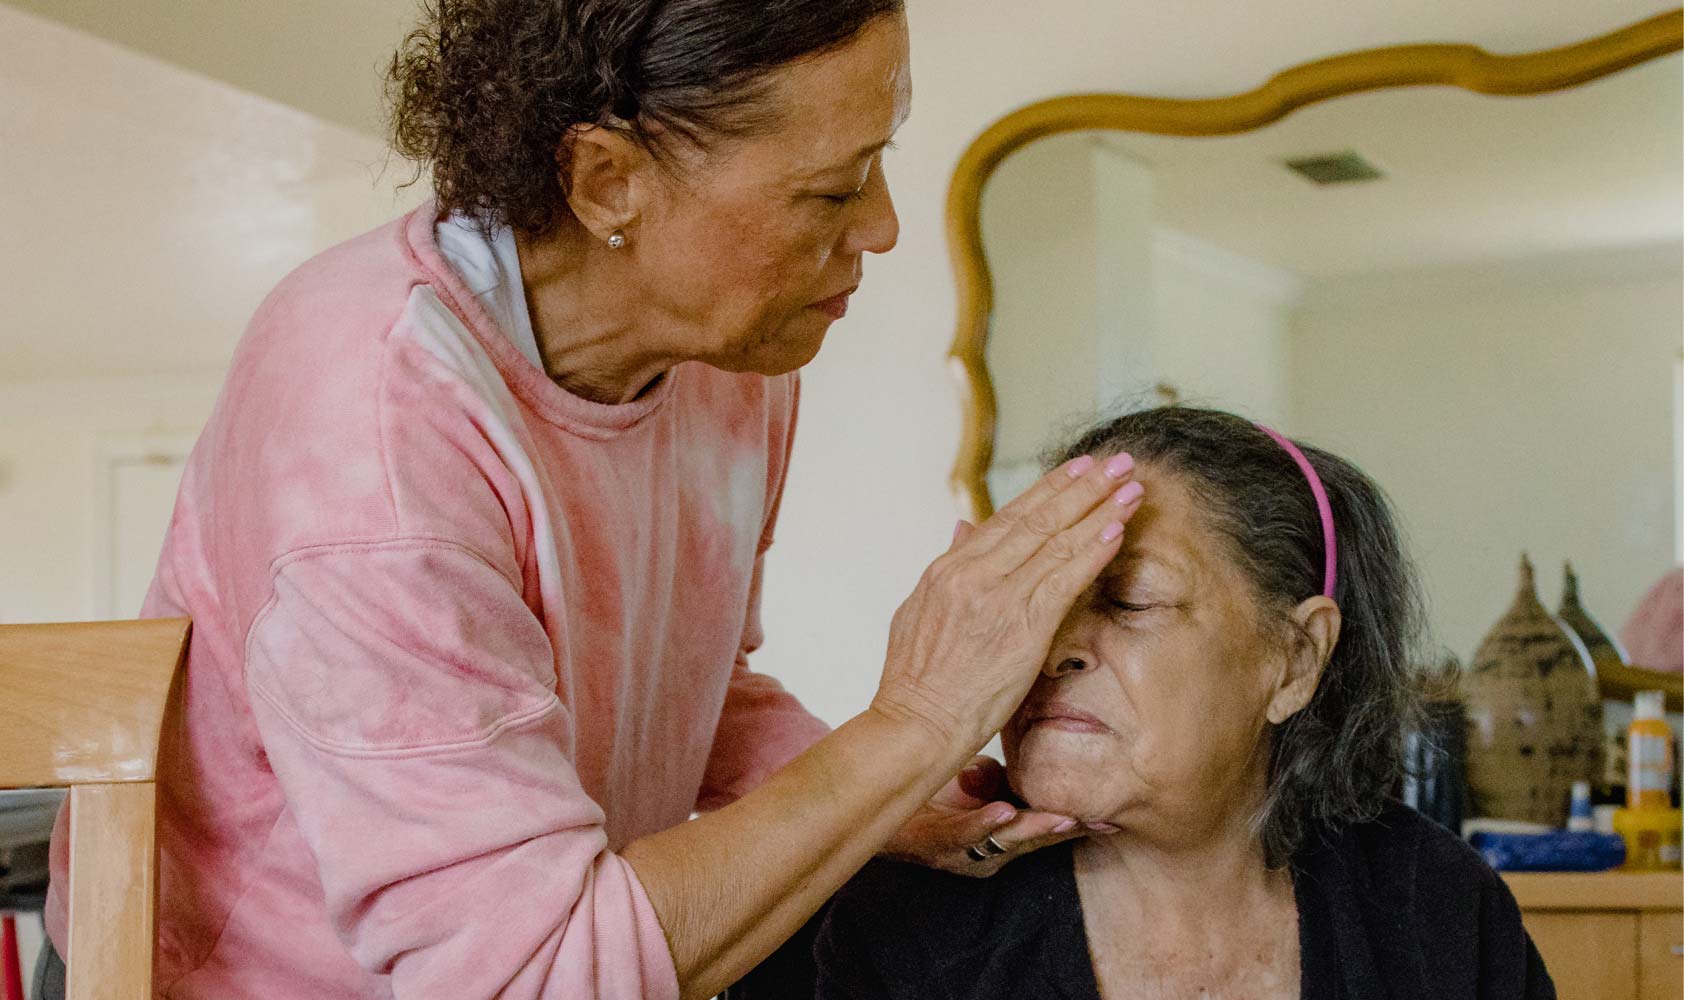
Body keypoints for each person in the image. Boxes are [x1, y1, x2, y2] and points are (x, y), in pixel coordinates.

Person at [36, 4, 1145, 998]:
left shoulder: (730, 358)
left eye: (878, 164)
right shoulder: (373, 435)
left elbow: (687, 688)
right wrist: (911, 723)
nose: (882, 228)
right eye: (831, 188)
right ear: (609, 180)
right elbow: (530, 970)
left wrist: (890, 795)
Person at [801, 406, 1555, 1000]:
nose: (1053, 648)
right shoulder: (900, 924)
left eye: (1128, 600)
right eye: (1043, 598)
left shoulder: (1438, 911)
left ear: (1293, 660)